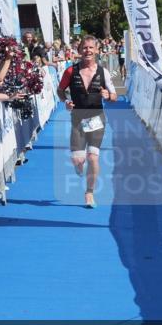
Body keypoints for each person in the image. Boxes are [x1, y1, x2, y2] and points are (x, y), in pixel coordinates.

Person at [57, 35, 118, 208]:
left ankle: (89, 193)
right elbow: (60, 91)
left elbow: (115, 95)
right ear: (79, 50)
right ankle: (79, 164)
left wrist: (108, 95)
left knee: (93, 157)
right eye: (85, 48)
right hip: (77, 118)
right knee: (78, 160)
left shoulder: (103, 71)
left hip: (97, 118)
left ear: (97, 50)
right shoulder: (70, 71)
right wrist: (66, 101)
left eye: (91, 48)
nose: (88, 51)